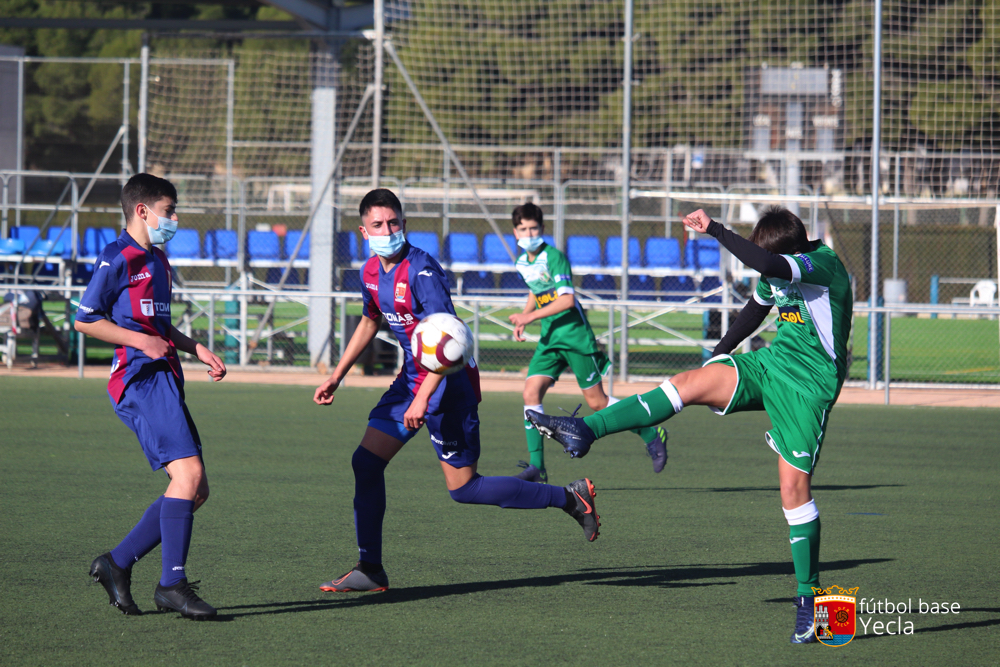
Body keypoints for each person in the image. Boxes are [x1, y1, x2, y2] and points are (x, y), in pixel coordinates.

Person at [527, 206, 853, 645]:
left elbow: (770, 265)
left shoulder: (822, 264)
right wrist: (720, 351)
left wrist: (715, 229)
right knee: (687, 383)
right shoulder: (777, 261)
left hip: (808, 386)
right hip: (773, 363)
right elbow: (756, 308)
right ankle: (585, 430)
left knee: (793, 493)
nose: (759, 263)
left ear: (792, 247)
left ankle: (809, 601)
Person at [313, 189, 600, 592]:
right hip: (411, 380)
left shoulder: (422, 270)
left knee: (464, 489)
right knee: (365, 463)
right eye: (378, 225)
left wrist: (423, 398)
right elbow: (369, 320)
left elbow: (452, 339)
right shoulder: (369, 273)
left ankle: (570, 498)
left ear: (404, 224)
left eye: (394, 223)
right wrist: (337, 374)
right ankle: (370, 568)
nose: (387, 230)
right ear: (364, 231)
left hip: (449, 385)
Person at [76, 173, 227, 620]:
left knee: (195, 490)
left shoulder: (159, 261)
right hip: (138, 379)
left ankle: (116, 563)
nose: (175, 219)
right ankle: (172, 585)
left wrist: (194, 347)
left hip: (164, 375)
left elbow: (158, 329)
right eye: (169, 210)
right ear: (142, 211)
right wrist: (142, 343)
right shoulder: (117, 257)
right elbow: (85, 319)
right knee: (189, 476)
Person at [507, 202, 667, 482]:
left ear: (542, 229)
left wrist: (528, 318)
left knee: (597, 402)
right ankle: (537, 467)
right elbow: (536, 289)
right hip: (550, 339)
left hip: (574, 336)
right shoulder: (522, 262)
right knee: (530, 394)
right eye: (523, 229)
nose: (529, 233)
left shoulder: (555, 257)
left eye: (534, 228)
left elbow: (567, 300)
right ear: (515, 232)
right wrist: (525, 315)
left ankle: (651, 432)